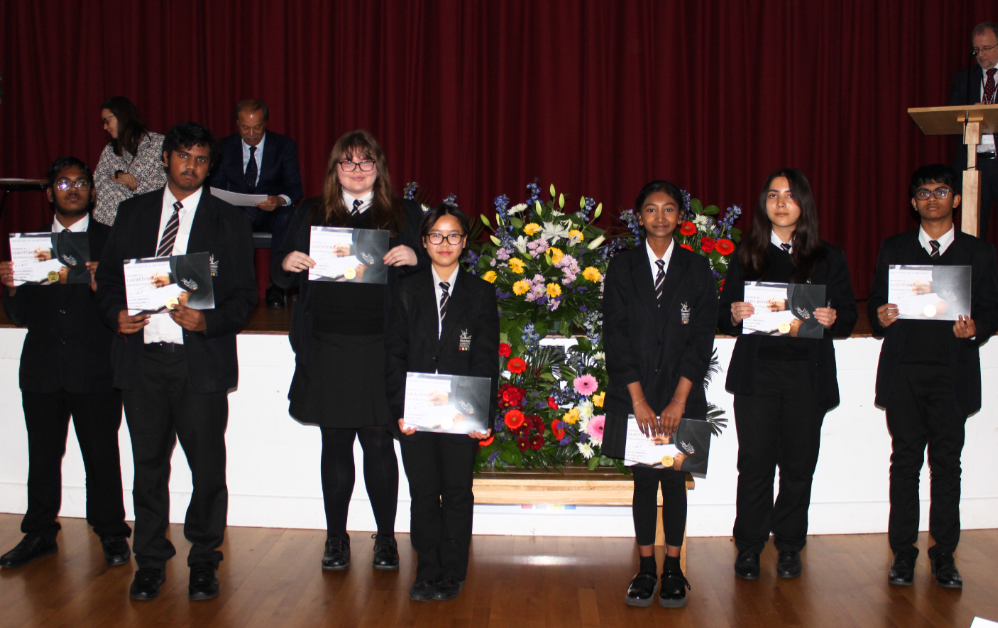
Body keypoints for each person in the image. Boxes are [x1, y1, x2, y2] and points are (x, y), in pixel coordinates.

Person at [95, 122, 258, 601]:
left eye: (201, 159)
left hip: (198, 364)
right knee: (147, 467)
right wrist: (116, 315)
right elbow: (108, 283)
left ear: (210, 166)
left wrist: (208, 321)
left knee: (207, 469)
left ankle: (204, 558)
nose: (192, 166)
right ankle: (149, 560)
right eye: (184, 156)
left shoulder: (228, 220)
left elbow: (244, 297)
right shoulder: (133, 212)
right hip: (142, 361)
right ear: (166, 158)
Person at [271, 129, 426, 574]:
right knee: (335, 441)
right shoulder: (311, 211)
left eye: (366, 162)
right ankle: (336, 538)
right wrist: (287, 263)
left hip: (382, 346)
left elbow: (433, 271)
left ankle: (386, 539)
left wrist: (415, 258)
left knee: (379, 442)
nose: (357, 171)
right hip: (327, 345)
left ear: (379, 168)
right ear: (334, 169)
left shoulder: (404, 213)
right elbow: (281, 275)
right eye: (348, 162)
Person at [719, 168, 857, 580]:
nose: (781, 203)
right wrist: (734, 313)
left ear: (804, 204)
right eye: (773, 195)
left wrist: (833, 318)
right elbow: (723, 316)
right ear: (764, 203)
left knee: (799, 466)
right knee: (755, 463)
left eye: (790, 195)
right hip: (758, 375)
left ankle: (790, 545)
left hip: (806, 376)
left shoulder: (828, 256)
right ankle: (749, 546)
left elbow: (849, 317)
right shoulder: (747, 253)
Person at [868, 164, 998, 589]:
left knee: (946, 466)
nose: (933, 199)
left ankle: (944, 554)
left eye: (941, 191)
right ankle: (902, 554)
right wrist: (882, 315)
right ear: (913, 202)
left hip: (952, 375)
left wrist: (976, 328)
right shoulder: (894, 247)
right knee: (904, 463)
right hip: (904, 373)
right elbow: (875, 305)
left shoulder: (979, 252)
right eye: (924, 193)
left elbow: (991, 309)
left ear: (955, 199)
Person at [0, 157, 131, 570]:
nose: (72, 189)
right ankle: (39, 534)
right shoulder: (29, 244)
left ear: (92, 192)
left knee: (101, 455)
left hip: (96, 368)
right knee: (42, 455)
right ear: (49, 193)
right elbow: (19, 314)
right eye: (62, 183)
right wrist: (11, 287)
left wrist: (103, 285)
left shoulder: (112, 241)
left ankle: (111, 532)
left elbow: (128, 308)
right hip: (41, 368)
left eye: (80, 183)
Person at [602, 180, 718, 608]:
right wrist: (638, 400)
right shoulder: (622, 267)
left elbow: (701, 339)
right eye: (651, 209)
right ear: (639, 217)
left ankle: (673, 569)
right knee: (643, 482)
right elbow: (615, 337)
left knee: (674, 481)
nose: (660, 217)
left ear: (680, 217)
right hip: (635, 396)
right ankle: (646, 568)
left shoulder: (697, 268)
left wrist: (678, 400)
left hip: (680, 396)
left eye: (669, 209)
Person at [386, 205, 500, 602]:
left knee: (456, 492)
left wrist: (481, 415)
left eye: (453, 235)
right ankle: (427, 570)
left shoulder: (480, 293)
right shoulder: (405, 290)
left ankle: (453, 570)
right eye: (436, 235)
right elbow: (394, 356)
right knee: (423, 493)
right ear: (424, 241)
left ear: (465, 242)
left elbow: (485, 359)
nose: (444, 243)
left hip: (460, 415)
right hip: (416, 415)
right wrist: (400, 411)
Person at [211, 99, 304, 308]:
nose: (251, 133)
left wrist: (279, 200)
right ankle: (228, 288)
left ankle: (277, 286)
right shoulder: (223, 147)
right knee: (214, 216)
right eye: (245, 127)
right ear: (237, 123)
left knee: (288, 215)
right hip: (235, 215)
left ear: (265, 123)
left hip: (270, 214)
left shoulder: (283, 146)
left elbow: (295, 188)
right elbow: (216, 186)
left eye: (257, 127)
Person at [948, 22, 998, 239]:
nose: (981, 54)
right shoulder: (964, 78)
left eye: (986, 48)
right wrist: (971, 112)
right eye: (976, 50)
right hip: (974, 163)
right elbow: (951, 117)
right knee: (974, 230)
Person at [93, 97, 166, 226]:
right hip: (110, 226)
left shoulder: (159, 144)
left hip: (149, 221)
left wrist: (132, 184)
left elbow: (165, 184)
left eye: (107, 121)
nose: (105, 127)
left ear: (122, 116)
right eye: (103, 122)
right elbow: (98, 180)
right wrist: (118, 175)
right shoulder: (110, 150)